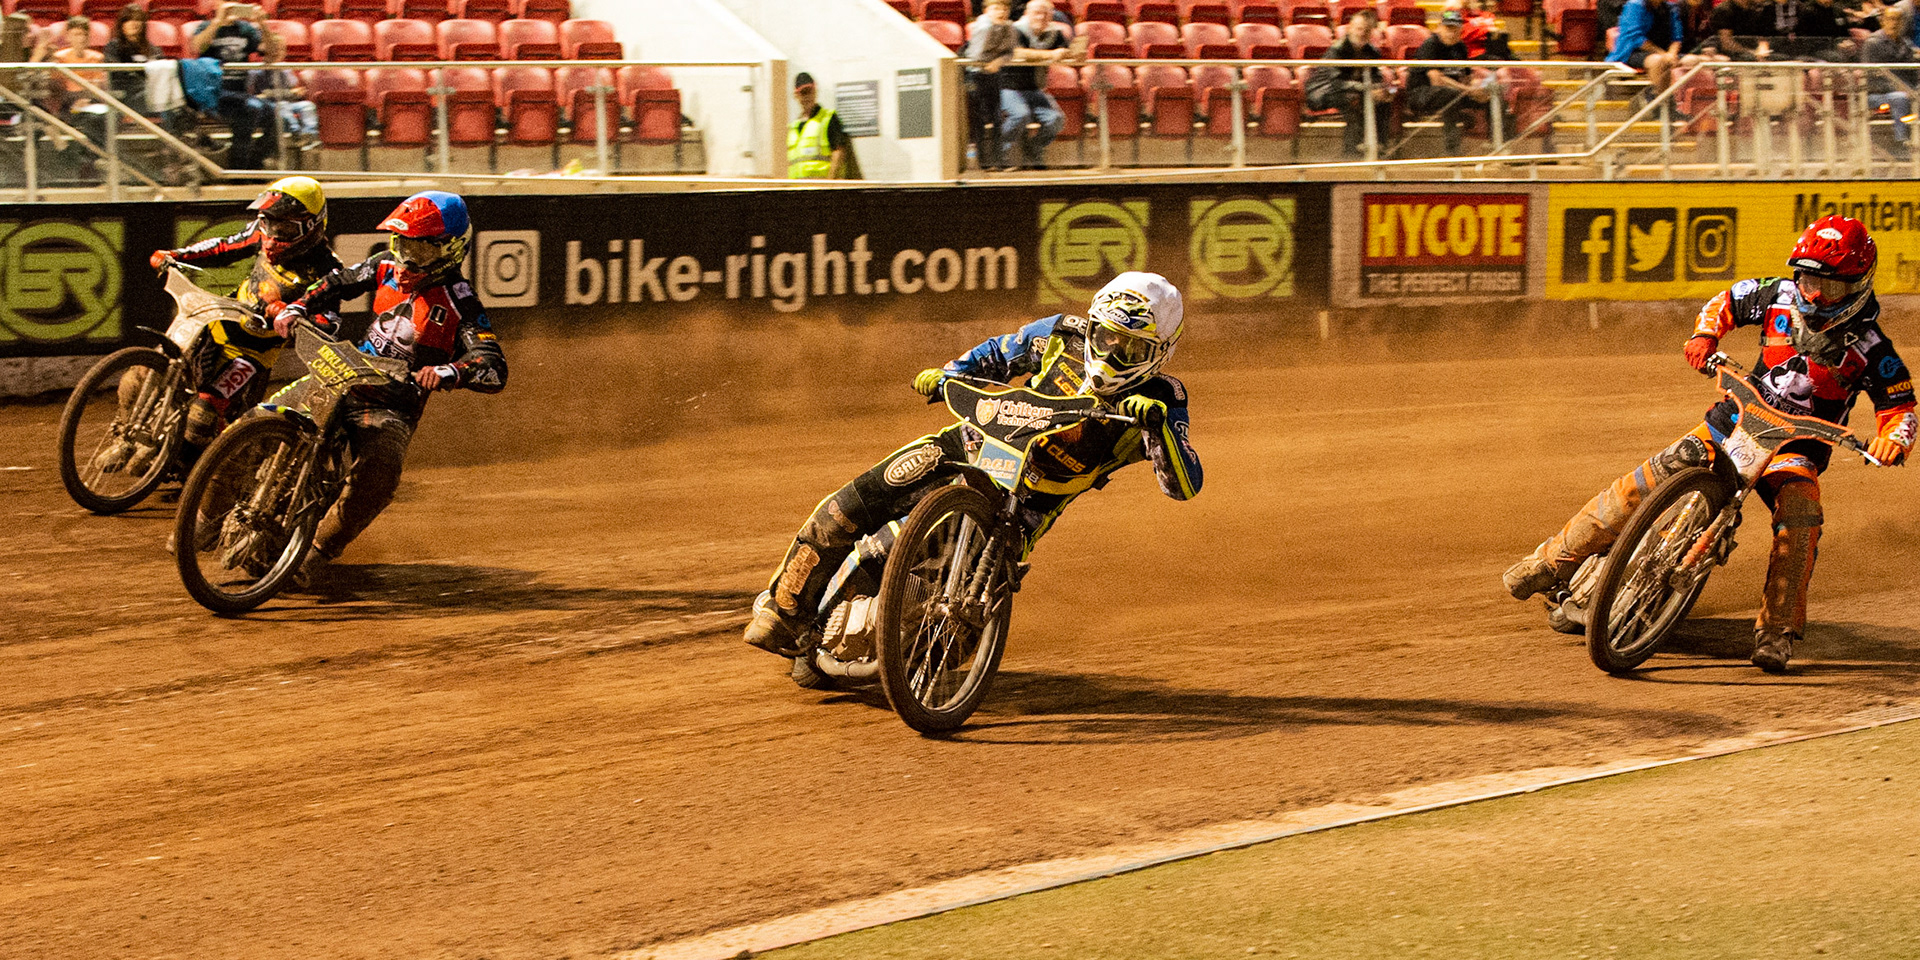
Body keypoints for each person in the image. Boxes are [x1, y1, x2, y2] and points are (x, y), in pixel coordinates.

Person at [1504, 216, 1916, 673]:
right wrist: (1704, 335)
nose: (1815, 295)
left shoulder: (1873, 348)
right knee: (1648, 478)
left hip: (1795, 447)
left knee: (1800, 516)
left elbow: (1901, 406)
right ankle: (1549, 561)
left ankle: (1777, 630)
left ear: (1858, 285)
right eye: (1809, 280)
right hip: (1733, 420)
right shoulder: (1777, 294)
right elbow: (1727, 301)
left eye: (1831, 287)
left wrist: (1893, 440)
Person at [743, 271, 1204, 656]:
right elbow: (999, 353)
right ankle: (784, 613)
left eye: (1131, 350)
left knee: (906, 575)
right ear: (1093, 326)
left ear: (1160, 352)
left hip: (1023, 509)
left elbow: (1184, 485)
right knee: (848, 506)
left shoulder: (1163, 398)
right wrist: (950, 374)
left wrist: (1158, 426)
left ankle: (909, 647)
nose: (1110, 355)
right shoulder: (1062, 334)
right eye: (1105, 337)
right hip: (968, 445)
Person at [270, 191, 508, 585]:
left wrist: (450, 372)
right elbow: (338, 281)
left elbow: (493, 365)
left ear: (451, 250)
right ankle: (209, 511)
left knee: (379, 474)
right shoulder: (384, 265)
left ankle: (319, 550)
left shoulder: (461, 302)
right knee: (266, 415)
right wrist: (300, 306)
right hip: (342, 373)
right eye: (403, 245)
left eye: (421, 250)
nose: (407, 260)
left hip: (391, 403)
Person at [146, 176, 340, 460]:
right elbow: (224, 247)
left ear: (311, 225)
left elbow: (329, 324)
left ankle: (194, 467)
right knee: (146, 372)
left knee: (202, 414)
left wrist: (290, 311)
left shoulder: (328, 270)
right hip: (218, 320)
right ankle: (126, 442)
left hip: (252, 353)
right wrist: (175, 255)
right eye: (268, 223)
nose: (272, 236)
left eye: (284, 228)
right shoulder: (262, 234)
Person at [190, 2, 280, 170]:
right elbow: (196, 47)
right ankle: (238, 168)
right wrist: (218, 21)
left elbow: (272, 53)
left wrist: (262, 25)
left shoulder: (246, 29)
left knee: (274, 113)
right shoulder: (206, 26)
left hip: (240, 94)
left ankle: (253, 163)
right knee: (250, 108)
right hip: (214, 94)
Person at [1307, 7, 1394, 157]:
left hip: (1355, 91)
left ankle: (1379, 146)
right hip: (1323, 92)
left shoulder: (1372, 52)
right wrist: (1366, 88)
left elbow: (1376, 77)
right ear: (1350, 29)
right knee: (1353, 100)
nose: (1362, 33)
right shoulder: (1337, 50)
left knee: (1384, 101)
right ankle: (1351, 153)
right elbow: (1336, 83)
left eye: (1366, 30)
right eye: (1359, 29)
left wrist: (1381, 90)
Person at [1000, 0, 1073, 170]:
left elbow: (1065, 52)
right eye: (1037, 13)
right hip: (1008, 87)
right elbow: (1017, 52)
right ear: (1027, 14)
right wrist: (1050, 55)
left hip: (1033, 88)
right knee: (1020, 115)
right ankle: (1000, 153)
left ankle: (1034, 148)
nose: (1041, 17)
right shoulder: (1013, 30)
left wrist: (1073, 54)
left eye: (1046, 14)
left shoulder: (1054, 33)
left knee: (1055, 119)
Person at [1408, 11, 1491, 155]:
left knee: (1492, 96)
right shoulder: (1430, 45)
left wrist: (1477, 90)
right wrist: (1467, 90)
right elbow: (1437, 80)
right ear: (1439, 27)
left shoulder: (1461, 47)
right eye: (1448, 28)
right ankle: (1452, 152)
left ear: (1461, 30)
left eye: (1455, 29)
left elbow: (1466, 77)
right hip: (1421, 93)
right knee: (1451, 95)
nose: (1451, 33)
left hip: (1454, 92)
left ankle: (1497, 145)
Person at [963, 0, 1018, 171]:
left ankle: (1000, 160)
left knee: (996, 117)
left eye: (1004, 8)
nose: (1001, 12)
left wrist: (998, 61)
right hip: (975, 74)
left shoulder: (1009, 27)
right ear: (987, 10)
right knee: (979, 118)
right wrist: (994, 55)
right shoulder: (983, 27)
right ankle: (983, 162)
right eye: (996, 8)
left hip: (994, 73)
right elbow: (976, 55)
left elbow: (1010, 53)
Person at [1863, 5, 1917, 145]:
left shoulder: (1905, 43)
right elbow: (1871, 77)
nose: (1894, 23)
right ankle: (1901, 141)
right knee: (1899, 98)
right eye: (1891, 19)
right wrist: (1899, 88)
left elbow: (1912, 73)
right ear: (1883, 21)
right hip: (1877, 94)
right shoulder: (1873, 43)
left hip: (1905, 90)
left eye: (1898, 20)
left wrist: (1915, 88)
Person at [787, 71, 856, 179]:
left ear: (815, 91)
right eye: (803, 92)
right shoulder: (793, 127)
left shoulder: (828, 118)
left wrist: (829, 183)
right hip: (799, 188)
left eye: (810, 91)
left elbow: (838, 152)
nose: (807, 96)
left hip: (822, 186)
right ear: (796, 95)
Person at [1607, 0, 1683, 94]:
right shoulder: (1634, 5)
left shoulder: (1671, 8)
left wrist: (1672, 54)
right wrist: (1664, 54)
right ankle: (1659, 99)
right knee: (1658, 61)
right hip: (1631, 53)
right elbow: (1636, 38)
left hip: (1665, 53)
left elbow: (1676, 38)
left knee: (1692, 60)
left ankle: (1684, 100)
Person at [103, 4, 159, 113]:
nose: (134, 23)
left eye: (138, 19)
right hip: (125, 95)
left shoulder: (152, 49)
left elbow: (160, 69)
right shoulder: (113, 47)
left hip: (151, 92)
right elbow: (117, 73)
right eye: (129, 20)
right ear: (122, 25)